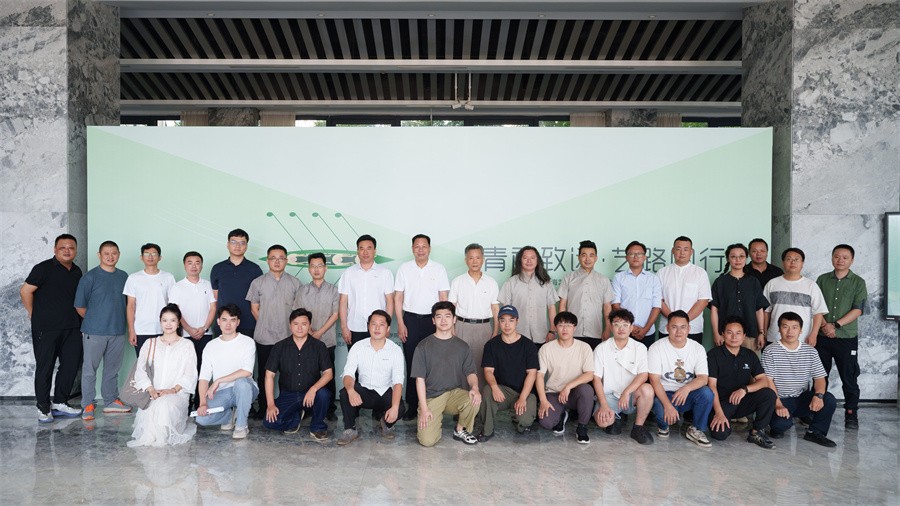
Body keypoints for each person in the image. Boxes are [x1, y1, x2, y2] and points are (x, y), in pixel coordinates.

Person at [20, 234, 84, 422]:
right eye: (63, 247)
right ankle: (43, 407)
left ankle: (60, 402)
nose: (67, 251)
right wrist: (33, 313)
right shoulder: (43, 268)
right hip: (46, 328)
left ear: (75, 250)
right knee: (45, 367)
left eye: (71, 248)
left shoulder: (77, 271)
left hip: (72, 327)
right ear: (55, 249)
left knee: (70, 365)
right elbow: (25, 291)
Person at [394, 234, 450, 421]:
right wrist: (400, 322)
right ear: (412, 249)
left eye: (424, 246)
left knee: (433, 364)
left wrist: (443, 324)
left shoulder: (439, 269)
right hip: (410, 320)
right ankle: (412, 405)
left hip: (432, 321)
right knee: (412, 363)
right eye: (417, 246)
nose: (420, 249)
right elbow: (398, 297)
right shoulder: (404, 268)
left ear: (429, 248)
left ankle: (433, 403)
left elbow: (443, 298)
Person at [74, 240, 131, 420]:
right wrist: (95, 320)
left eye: (114, 253)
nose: (110, 256)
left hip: (117, 331)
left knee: (112, 370)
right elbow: (80, 306)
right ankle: (88, 404)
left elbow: (128, 304)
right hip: (94, 332)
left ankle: (111, 400)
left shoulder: (123, 276)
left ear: (119, 254)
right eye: (106, 253)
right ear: (99, 255)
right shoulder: (89, 277)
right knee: (90, 369)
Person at [127, 304, 198, 448]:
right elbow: (140, 370)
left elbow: (190, 373)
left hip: (177, 395)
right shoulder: (150, 343)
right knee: (154, 406)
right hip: (152, 393)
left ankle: (162, 438)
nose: (168, 324)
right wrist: (151, 389)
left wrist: (172, 390)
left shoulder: (187, 345)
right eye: (165, 320)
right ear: (160, 322)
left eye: (172, 320)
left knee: (164, 405)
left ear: (178, 322)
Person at [762, 311, 837, 447]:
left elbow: (820, 378)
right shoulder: (770, 351)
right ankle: (777, 423)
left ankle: (815, 432)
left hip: (801, 398)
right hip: (780, 399)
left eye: (794, 327)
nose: (790, 331)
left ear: (801, 330)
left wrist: (818, 395)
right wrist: (778, 404)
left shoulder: (811, 351)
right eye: (785, 327)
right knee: (780, 426)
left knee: (828, 399)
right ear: (779, 329)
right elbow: (768, 381)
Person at [411, 301, 481, 447]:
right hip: (432, 396)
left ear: (454, 319)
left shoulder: (462, 346)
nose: (443, 320)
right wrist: (424, 408)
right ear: (433, 320)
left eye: (447, 316)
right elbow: (419, 380)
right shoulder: (423, 346)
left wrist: (475, 388)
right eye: (439, 317)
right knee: (427, 441)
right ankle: (434, 423)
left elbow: (471, 372)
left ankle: (460, 429)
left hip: (454, 393)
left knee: (474, 398)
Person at [816, 244, 867, 430]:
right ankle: (818, 410)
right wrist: (825, 326)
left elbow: (858, 309)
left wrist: (835, 325)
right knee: (820, 375)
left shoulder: (858, 282)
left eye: (845, 257)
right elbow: (816, 306)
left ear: (852, 260)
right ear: (832, 258)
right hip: (822, 336)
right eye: (837, 256)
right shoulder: (822, 280)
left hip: (846, 337)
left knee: (849, 376)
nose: (840, 260)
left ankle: (851, 412)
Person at [247, 244, 302, 417]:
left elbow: (298, 312)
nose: (277, 261)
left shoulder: (295, 283)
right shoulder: (258, 282)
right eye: (273, 258)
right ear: (267, 260)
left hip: (288, 337)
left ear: (286, 260)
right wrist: (266, 323)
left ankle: (287, 408)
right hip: (264, 337)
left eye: (281, 258)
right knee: (264, 374)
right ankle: (264, 408)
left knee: (288, 375)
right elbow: (254, 308)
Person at [263, 308, 334, 442]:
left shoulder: (319, 346)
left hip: (311, 393)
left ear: (309, 325)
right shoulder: (279, 347)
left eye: (304, 324)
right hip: (288, 394)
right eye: (296, 324)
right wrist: (271, 404)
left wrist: (313, 389)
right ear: (290, 326)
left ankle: (317, 427)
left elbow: (328, 374)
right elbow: (269, 376)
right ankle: (296, 416)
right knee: (270, 423)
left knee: (323, 394)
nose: (300, 328)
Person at [337, 310, 406, 445]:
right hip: (364, 392)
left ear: (388, 329)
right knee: (345, 393)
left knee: (400, 408)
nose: (377, 328)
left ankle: (386, 423)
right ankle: (350, 429)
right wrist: (351, 391)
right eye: (374, 324)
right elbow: (348, 373)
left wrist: (395, 407)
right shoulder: (358, 346)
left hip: (384, 392)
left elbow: (398, 381)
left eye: (381, 325)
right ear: (368, 327)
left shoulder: (395, 350)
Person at [707, 316, 777, 449]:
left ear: (744, 336)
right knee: (720, 435)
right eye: (729, 332)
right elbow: (711, 386)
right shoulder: (713, 355)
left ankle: (756, 432)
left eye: (738, 333)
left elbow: (763, 381)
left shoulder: (750, 355)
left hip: (741, 400)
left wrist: (744, 390)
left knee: (768, 394)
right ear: (723, 334)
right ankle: (724, 419)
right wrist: (719, 413)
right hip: (720, 404)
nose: (734, 337)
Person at [448, 243, 500, 420]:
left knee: (481, 367)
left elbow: (495, 309)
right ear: (466, 260)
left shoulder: (491, 282)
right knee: (461, 367)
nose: (475, 261)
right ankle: (461, 407)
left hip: (484, 327)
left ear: (483, 259)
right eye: (471, 257)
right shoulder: (458, 281)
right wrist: (452, 329)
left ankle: (479, 408)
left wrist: (495, 332)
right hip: (462, 326)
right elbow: (452, 307)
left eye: (478, 257)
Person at [648, 310, 714, 447]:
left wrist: (686, 388)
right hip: (665, 393)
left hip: (687, 394)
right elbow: (654, 380)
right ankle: (663, 426)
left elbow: (703, 378)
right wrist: (667, 406)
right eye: (674, 327)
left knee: (707, 393)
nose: (678, 331)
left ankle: (696, 429)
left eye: (683, 327)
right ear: (667, 328)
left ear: (689, 329)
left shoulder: (698, 348)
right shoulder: (656, 348)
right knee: (662, 413)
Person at [473, 305, 539, 442]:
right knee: (487, 390)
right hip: (502, 391)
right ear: (498, 322)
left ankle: (519, 421)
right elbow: (488, 371)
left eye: (511, 320)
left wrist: (523, 398)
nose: (507, 324)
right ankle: (487, 430)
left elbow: (532, 374)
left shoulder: (528, 345)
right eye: (503, 320)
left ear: (517, 321)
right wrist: (494, 387)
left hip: (524, 391)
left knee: (525, 420)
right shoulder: (491, 345)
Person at [591, 309, 655, 445]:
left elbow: (643, 375)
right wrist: (603, 405)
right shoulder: (601, 348)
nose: (621, 328)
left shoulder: (640, 348)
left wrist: (626, 392)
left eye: (625, 325)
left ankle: (638, 427)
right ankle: (615, 418)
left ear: (631, 328)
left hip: (631, 396)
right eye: (617, 324)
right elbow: (596, 378)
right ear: (611, 326)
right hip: (609, 396)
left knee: (648, 389)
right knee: (603, 422)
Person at [195, 304, 257, 439]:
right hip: (222, 393)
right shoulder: (211, 346)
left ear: (238, 322)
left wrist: (219, 380)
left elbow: (247, 371)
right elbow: (204, 378)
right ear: (218, 322)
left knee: (241, 383)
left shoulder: (247, 342)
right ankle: (229, 416)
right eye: (224, 320)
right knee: (201, 419)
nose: (228, 324)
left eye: (232, 320)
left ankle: (241, 425)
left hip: (245, 389)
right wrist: (203, 403)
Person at [293, 252, 340, 421]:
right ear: (309, 269)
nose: (316, 269)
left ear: (325, 268)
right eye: (313, 266)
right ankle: (308, 407)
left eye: (320, 266)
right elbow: (298, 314)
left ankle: (330, 409)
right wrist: (309, 332)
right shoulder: (302, 290)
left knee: (329, 374)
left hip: (327, 340)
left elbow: (335, 314)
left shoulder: (334, 290)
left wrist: (319, 333)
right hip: (306, 340)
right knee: (308, 374)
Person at [535, 311, 594, 444]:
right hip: (553, 393)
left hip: (574, 393)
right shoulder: (546, 348)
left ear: (574, 327)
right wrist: (543, 401)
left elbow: (589, 374)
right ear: (555, 328)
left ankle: (582, 427)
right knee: (546, 423)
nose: (565, 329)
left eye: (568, 325)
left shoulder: (584, 347)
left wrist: (568, 386)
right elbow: (539, 376)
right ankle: (561, 415)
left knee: (587, 390)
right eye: (561, 325)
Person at [167, 251, 216, 409]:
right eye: (190, 262)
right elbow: (175, 311)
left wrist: (204, 328)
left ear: (201, 265)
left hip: (205, 334)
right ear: (184, 265)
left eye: (197, 262)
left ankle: (200, 402)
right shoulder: (177, 287)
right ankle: (185, 403)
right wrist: (189, 329)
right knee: (186, 369)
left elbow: (213, 308)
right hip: (185, 335)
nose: (194, 266)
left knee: (203, 369)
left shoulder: (208, 285)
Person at [762, 248, 828, 348]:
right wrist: (764, 333)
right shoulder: (772, 284)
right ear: (783, 262)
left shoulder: (811, 285)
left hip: (803, 338)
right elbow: (766, 311)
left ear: (802, 263)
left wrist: (814, 334)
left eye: (796, 259)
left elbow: (818, 312)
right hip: (775, 338)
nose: (792, 262)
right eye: (789, 259)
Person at [338, 234, 394, 347]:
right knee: (355, 358)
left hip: (378, 328)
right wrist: (344, 327)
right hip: (354, 327)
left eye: (369, 248)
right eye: (361, 248)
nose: (365, 252)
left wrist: (387, 325)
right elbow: (343, 302)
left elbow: (390, 301)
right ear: (357, 251)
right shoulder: (348, 273)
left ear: (375, 251)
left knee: (378, 357)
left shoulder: (385, 273)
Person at [710, 243, 768, 349]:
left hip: (750, 334)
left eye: (741, 256)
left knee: (750, 359)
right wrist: (716, 333)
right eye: (733, 257)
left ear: (746, 258)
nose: (738, 260)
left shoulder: (753, 282)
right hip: (725, 335)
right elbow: (714, 310)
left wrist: (761, 333)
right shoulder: (720, 282)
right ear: (728, 259)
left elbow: (759, 309)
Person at [558, 240, 615, 349]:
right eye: (584, 255)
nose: (587, 259)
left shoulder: (603, 280)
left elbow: (607, 307)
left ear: (596, 258)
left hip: (595, 332)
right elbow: (562, 304)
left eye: (591, 255)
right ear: (578, 257)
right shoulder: (569, 278)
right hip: (572, 332)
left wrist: (607, 329)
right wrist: (562, 328)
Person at [498, 246, 559, 346]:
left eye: (532, 257)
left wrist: (552, 331)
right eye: (525, 258)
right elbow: (506, 311)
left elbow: (551, 307)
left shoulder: (546, 283)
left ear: (537, 260)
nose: (529, 261)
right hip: (517, 336)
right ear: (520, 260)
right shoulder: (510, 283)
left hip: (542, 336)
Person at [657, 236, 712, 345]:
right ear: (673, 250)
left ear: (691, 252)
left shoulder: (700, 273)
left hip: (693, 328)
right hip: (667, 328)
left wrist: (684, 322)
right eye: (678, 249)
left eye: (686, 249)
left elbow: (703, 301)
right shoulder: (662, 273)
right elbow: (658, 300)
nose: (682, 252)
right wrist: (673, 321)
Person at [124, 243, 176, 356]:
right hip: (141, 329)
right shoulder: (133, 278)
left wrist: (173, 329)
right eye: (147, 254)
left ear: (160, 257)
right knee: (144, 363)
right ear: (141, 257)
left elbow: (173, 305)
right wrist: (131, 330)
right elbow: (131, 306)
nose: (150, 257)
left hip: (164, 328)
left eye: (154, 254)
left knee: (164, 362)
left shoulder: (168, 277)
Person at [210, 228, 263, 338]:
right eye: (233, 242)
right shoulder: (217, 268)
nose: (237, 246)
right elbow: (215, 298)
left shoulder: (255, 269)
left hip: (248, 324)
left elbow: (259, 300)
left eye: (242, 243)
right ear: (228, 244)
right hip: (224, 324)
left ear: (246, 246)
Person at [612, 240, 662, 348]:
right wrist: (631, 327)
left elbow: (656, 307)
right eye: (631, 254)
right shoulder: (619, 278)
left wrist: (645, 329)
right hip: (624, 331)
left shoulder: (653, 279)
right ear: (626, 257)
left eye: (639, 254)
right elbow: (615, 305)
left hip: (648, 332)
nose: (635, 257)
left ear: (645, 257)